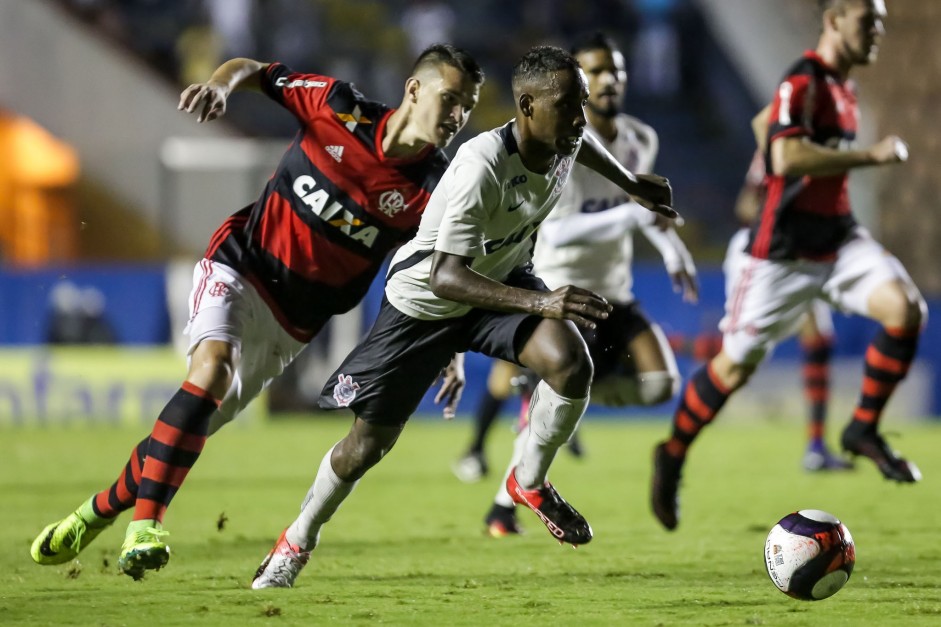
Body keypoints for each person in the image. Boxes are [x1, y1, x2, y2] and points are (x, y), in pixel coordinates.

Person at [30, 44, 485, 579]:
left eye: (468, 108)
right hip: (241, 264)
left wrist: (448, 352)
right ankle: (145, 529)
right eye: (450, 99)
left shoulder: (436, 190)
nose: (457, 117)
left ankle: (94, 514)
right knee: (211, 371)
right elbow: (255, 71)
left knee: (188, 429)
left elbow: (432, 275)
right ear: (414, 89)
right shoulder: (337, 106)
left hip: (293, 323)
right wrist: (221, 86)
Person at [250, 45, 676, 589]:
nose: (579, 117)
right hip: (426, 303)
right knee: (367, 445)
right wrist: (542, 302)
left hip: (500, 279)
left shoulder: (562, 137)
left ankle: (528, 483)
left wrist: (632, 183)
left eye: (582, 104)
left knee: (571, 363)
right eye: (568, 105)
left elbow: (584, 144)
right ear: (526, 105)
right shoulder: (481, 165)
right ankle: (297, 540)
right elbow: (445, 277)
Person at [651, 0, 925, 532]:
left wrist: (768, 157)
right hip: (780, 255)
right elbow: (786, 157)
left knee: (905, 309)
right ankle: (673, 452)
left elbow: (766, 128)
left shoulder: (844, 88)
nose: (877, 31)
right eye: (868, 21)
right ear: (833, 20)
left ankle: (862, 430)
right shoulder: (803, 79)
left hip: (839, 240)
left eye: (881, 22)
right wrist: (868, 156)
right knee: (735, 366)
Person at [476, 32, 697, 537]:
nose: (608, 80)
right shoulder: (558, 145)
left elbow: (650, 214)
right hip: (567, 291)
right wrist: (628, 212)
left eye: (614, 70)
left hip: (616, 290)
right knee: (562, 394)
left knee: (662, 384)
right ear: (574, 84)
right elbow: (563, 228)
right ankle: (502, 507)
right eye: (596, 72)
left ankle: (559, 403)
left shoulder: (642, 138)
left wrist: (673, 250)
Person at [727, 148, 852, 472]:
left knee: (819, 340)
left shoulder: (826, 148)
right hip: (762, 255)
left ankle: (816, 448)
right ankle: (669, 348)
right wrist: (777, 220)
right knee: (741, 356)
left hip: (802, 255)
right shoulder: (777, 148)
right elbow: (744, 204)